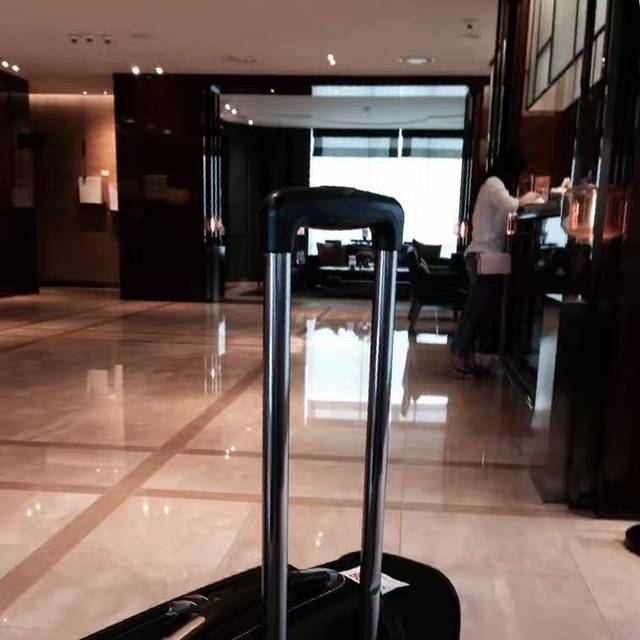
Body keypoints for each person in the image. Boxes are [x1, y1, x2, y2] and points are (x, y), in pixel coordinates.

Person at [450, 151, 539, 375]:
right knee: (476, 310)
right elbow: (511, 206)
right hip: (484, 255)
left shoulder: (492, 184)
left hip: (483, 255)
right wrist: (528, 198)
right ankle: (459, 356)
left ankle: (463, 355)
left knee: (475, 309)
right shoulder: (493, 184)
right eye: (520, 174)